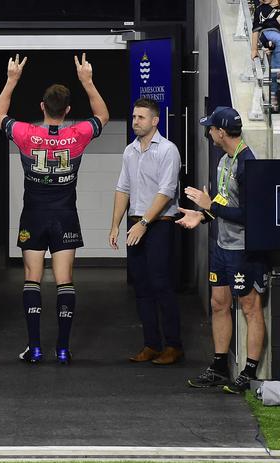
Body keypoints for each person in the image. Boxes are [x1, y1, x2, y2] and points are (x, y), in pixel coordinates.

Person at [0, 53, 109, 364]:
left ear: (42, 107)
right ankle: (63, 349)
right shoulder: (77, 134)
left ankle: (35, 347)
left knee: (32, 278)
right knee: (64, 281)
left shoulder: (27, 134)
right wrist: (88, 81)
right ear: (68, 110)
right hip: (65, 215)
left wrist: (12, 80)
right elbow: (103, 115)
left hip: (34, 215)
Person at [177, 107, 268, 394]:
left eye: (211, 128)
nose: (208, 133)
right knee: (219, 303)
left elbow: (250, 215)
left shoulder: (247, 163)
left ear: (221, 131)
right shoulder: (224, 160)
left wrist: (209, 207)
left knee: (250, 307)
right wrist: (203, 216)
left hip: (243, 249)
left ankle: (250, 372)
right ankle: (218, 367)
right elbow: (222, 202)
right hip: (222, 245)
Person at [109, 98, 182, 365]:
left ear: (155, 120)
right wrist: (116, 224)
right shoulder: (130, 151)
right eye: (134, 116)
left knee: (161, 284)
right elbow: (122, 188)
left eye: (141, 117)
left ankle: (173, 346)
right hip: (135, 222)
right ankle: (151, 344)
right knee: (141, 287)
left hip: (159, 223)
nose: (135, 121)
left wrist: (144, 224)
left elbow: (166, 193)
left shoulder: (167, 150)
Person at [251, 0, 280, 108]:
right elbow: (255, 29)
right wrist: (254, 49)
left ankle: (273, 94)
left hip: (279, 34)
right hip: (266, 32)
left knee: (273, 61)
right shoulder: (260, 9)